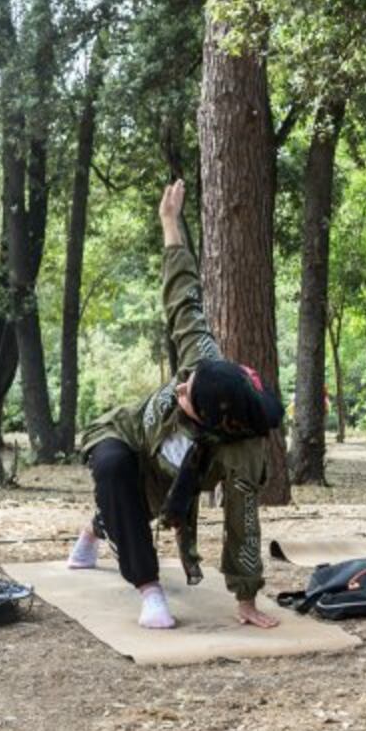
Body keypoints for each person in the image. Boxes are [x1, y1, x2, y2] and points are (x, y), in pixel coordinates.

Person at [68, 181, 286, 630]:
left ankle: (95, 529)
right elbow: (183, 299)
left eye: (189, 398)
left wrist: (247, 598)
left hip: (171, 477)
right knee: (113, 470)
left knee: (128, 505)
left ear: (216, 421)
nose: (180, 390)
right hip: (129, 434)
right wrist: (171, 224)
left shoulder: (240, 452)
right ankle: (149, 590)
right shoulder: (202, 361)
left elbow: (241, 523)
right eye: (185, 384)